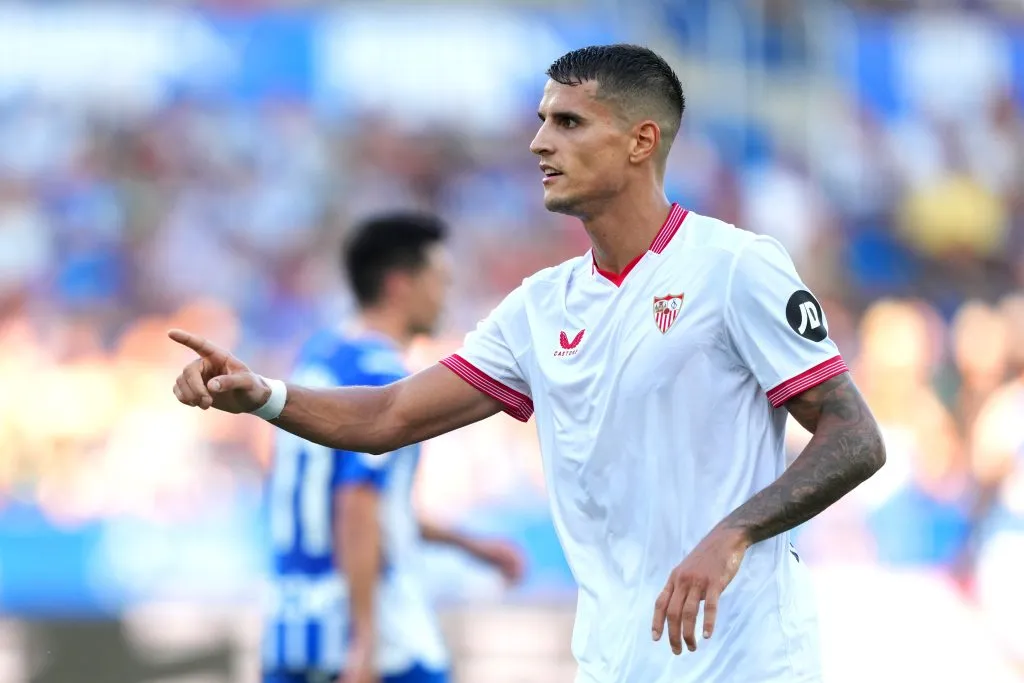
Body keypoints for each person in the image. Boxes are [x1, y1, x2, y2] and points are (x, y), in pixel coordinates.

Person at [171, 45, 886, 683]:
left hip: (747, 655)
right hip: (615, 657)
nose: (541, 143)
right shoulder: (540, 307)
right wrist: (261, 394)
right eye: (542, 121)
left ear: (641, 141)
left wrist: (733, 532)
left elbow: (854, 435)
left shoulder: (735, 267)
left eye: (569, 122)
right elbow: (389, 414)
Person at [260, 212, 524, 683]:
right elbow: (356, 505)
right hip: (375, 639)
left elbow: (368, 502)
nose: (447, 294)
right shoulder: (380, 380)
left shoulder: (319, 357)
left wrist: (471, 546)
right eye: (440, 279)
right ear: (401, 285)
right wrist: (365, 642)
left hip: (293, 628)